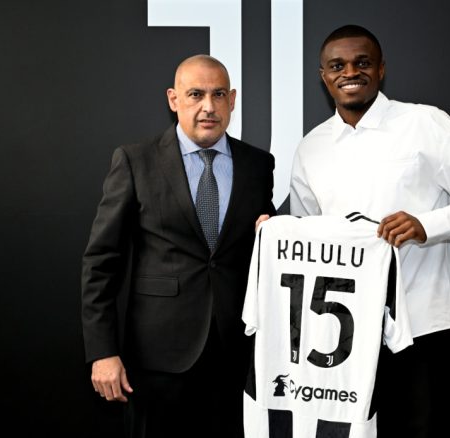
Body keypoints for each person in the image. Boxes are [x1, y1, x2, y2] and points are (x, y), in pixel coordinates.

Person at [286, 25, 450, 436]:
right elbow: (308, 235)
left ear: (381, 69)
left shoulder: (423, 123)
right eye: (337, 66)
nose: (349, 72)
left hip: (421, 323)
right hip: (343, 334)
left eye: (362, 62)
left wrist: (427, 225)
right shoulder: (311, 147)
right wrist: (276, 232)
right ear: (323, 77)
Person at [81, 54, 276, 438]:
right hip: (157, 359)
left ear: (232, 100)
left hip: (237, 356)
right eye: (195, 94)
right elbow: (102, 261)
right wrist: (102, 352)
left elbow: (266, 249)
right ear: (174, 99)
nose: (208, 106)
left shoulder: (258, 165)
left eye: (218, 94)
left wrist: (271, 234)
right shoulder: (136, 161)